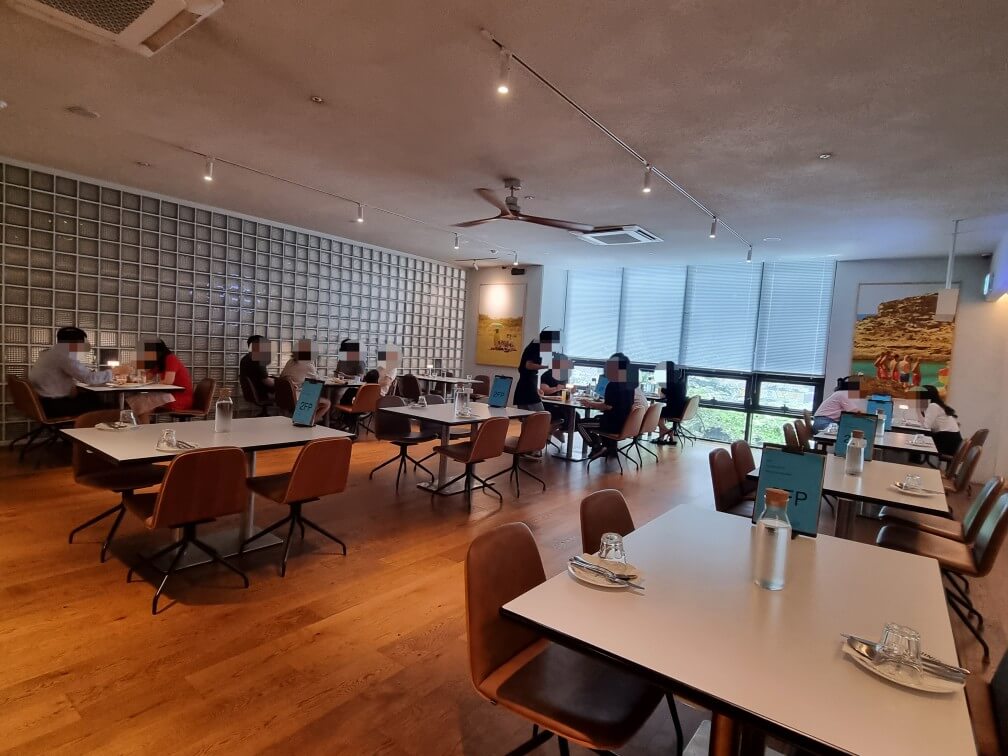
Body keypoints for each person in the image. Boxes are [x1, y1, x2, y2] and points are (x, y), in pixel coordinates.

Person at [29, 326, 125, 417]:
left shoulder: (49, 353)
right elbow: (89, 378)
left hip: (45, 403)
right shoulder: (63, 356)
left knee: (93, 398)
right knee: (107, 406)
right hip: (55, 406)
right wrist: (117, 370)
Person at [577, 352, 636, 459]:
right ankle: (610, 449)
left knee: (580, 424)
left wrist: (590, 403)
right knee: (597, 418)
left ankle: (597, 447)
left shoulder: (613, 384)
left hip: (614, 424)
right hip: (626, 423)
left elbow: (607, 406)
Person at [127, 338, 194, 421]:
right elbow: (146, 377)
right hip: (170, 395)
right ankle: (144, 426)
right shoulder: (160, 362)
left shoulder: (171, 358)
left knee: (142, 402)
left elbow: (168, 381)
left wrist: (153, 381)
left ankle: (144, 427)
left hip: (180, 397)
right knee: (139, 401)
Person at [280, 339, 331, 424]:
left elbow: (282, 377)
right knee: (327, 403)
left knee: (314, 399)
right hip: (297, 397)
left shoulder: (290, 362)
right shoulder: (307, 365)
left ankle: (305, 419)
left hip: (285, 396)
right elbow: (317, 381)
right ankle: (306, 422)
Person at [513, 329, 558, 412]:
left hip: (526, 386)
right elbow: (528, 366)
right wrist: (548, 366)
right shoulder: (536, 347)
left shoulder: (534, 345)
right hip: (527, 389)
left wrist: (536, 388)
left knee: (526, 417)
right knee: (541, 416)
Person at [921, 384, 962, 455]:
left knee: (917, 438)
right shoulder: (938, 405)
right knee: (919, 437)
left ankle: (913, 460)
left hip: (947, 442)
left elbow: (926, 426)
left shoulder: (933, 406)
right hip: (952, 440)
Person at [656, 361, 688, 445]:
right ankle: (661, 438)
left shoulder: (670, 383)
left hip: (673, 410)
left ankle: (668, 432)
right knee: (661, 412)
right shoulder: (681, 382)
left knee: (655, 413)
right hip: (680, 409)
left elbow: (661, 395)